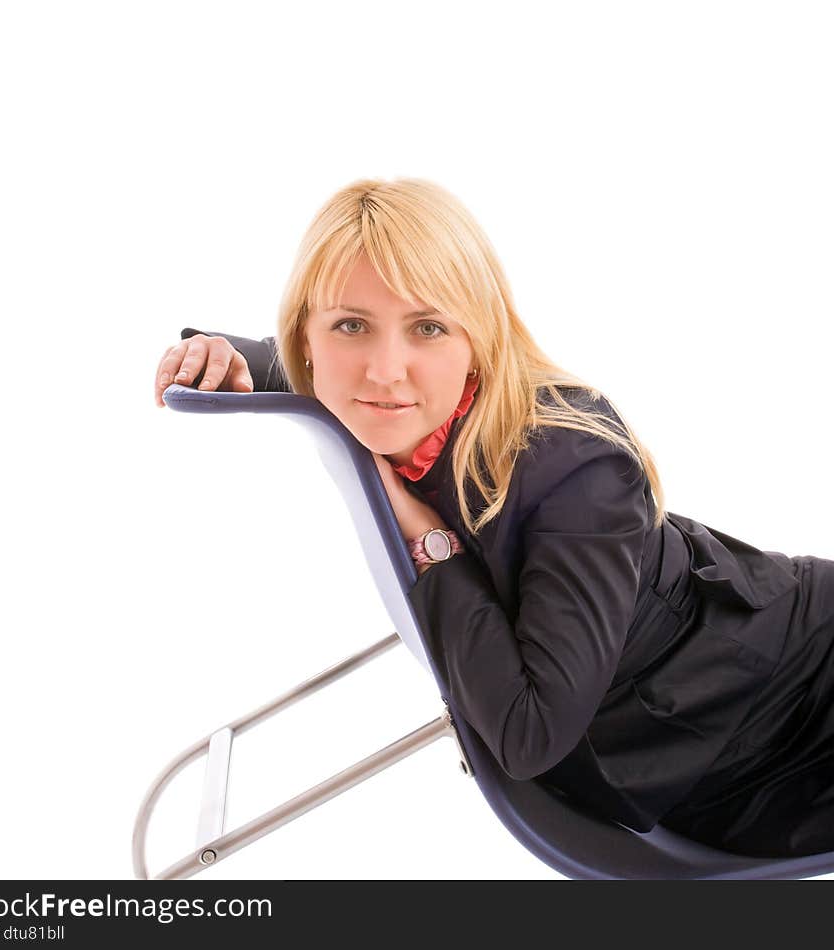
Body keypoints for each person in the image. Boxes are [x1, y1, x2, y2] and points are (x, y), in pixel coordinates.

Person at [153, 177, 833, 859]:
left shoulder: (576, 472)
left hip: (799, 695)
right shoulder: (355, 382)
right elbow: (529, 731)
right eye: (352, 325)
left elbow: (528, 732)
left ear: (478, 340)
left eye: (429, 327)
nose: (385, 371)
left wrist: (431, 541)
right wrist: (219, 352)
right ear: (306, 334)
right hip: (742, 753)